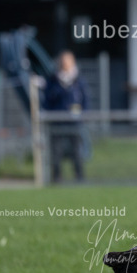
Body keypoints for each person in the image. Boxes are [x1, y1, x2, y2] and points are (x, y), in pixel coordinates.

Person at [43, 50, 89, 182]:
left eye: (68, 62)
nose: (65, 64)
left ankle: (79, 176)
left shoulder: (78, 80)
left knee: (76, 150)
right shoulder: (53, 80)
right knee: (56, 151)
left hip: (74, 121)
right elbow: (47, 100)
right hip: (57, 121)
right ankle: (56, 177)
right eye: (63, 62)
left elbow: (85, 100)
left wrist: (83, 114)